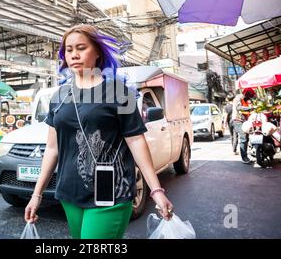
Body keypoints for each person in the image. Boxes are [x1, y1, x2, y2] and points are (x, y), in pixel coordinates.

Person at [24, 24, 173, 239]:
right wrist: (36, 195)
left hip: (111, 192)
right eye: (69, 49)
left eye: (81, 48)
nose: (74, 54)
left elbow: (136, 141)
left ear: (97, 53)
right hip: (70, 193)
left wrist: (156, 190)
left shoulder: (119, 92)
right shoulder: (60, 95)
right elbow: (52, 149)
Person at [231, 89, 254, 164]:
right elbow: (239, 107)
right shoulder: (237, 99)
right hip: (238, 121)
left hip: (244, 121)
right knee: (243, 138)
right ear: (245, 94)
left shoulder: (246, 100)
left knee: (246, 138)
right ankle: (244, 158)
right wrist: (250, 108)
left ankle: (246, 156)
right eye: (249, 97)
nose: (249, 99)